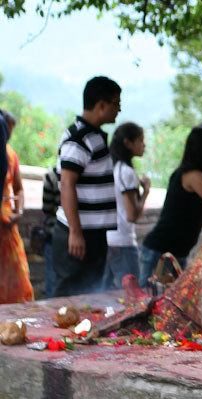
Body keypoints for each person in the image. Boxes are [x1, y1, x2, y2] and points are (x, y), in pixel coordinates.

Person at [53, 76, 121, 297]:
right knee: (70, 294)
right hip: (77, 233)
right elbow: (67, 183)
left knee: (89, 294)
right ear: (101, 105)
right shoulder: (78, 138)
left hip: (92, 233)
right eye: (116, 104)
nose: (118, 110)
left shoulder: (93, 136)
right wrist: (75, 231)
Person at [140, 124, 202, 285]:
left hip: (176, 252)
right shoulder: (193, 175)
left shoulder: (195, 175)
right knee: (153, 301)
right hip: (162, 250)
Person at [102, 122, 150, 290]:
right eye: (140, 140)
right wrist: (146, 192)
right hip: (123, 241)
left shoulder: (112, 167)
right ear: (128, 143)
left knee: (105, 295)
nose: (144, 145)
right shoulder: (126, 172)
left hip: (107, 240)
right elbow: (132, 215)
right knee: (132, 298)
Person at [0, 110, 34, 304]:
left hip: (8, 226)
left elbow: (19, 189)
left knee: (17, 281)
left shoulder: (10, 154)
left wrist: (18, 212)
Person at [41, 168, 61, 297]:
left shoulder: (51, 175)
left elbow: (47, 209)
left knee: (52, 279)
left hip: (54, 233)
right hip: (80, 235)